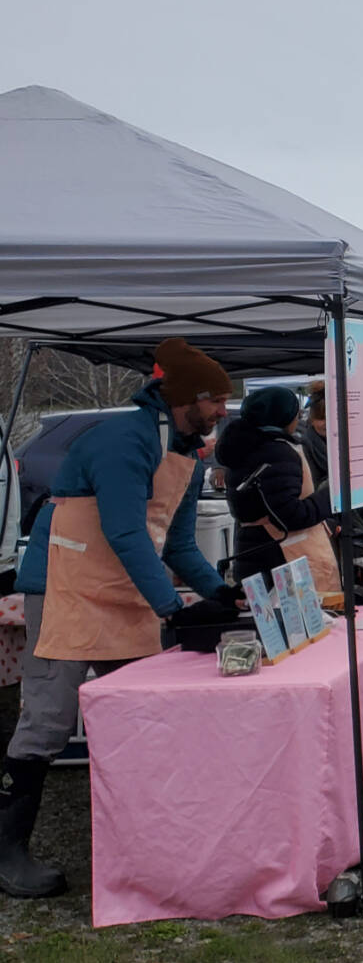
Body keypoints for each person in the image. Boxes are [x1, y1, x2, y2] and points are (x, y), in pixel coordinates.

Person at [1, 338, 238, 898]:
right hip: (66, 590)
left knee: (141, 716)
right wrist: (169, 608)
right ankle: (8, 851)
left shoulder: (184, 454)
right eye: (217, 399)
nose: (224, 411)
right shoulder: (122, 439)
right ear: (186, 398)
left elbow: (176, 543)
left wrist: (219, 593)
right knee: (48, 722)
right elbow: (125, 531)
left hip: (124, 590)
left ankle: (147, 840)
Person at [215, 386, 336, 589]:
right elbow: (289, 515)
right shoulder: (277, 452)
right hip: (282, 561)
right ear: (283, 416)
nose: (298, 420)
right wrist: (331, 496)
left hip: (255, 553)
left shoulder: (245, 447)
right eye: (295, 414)